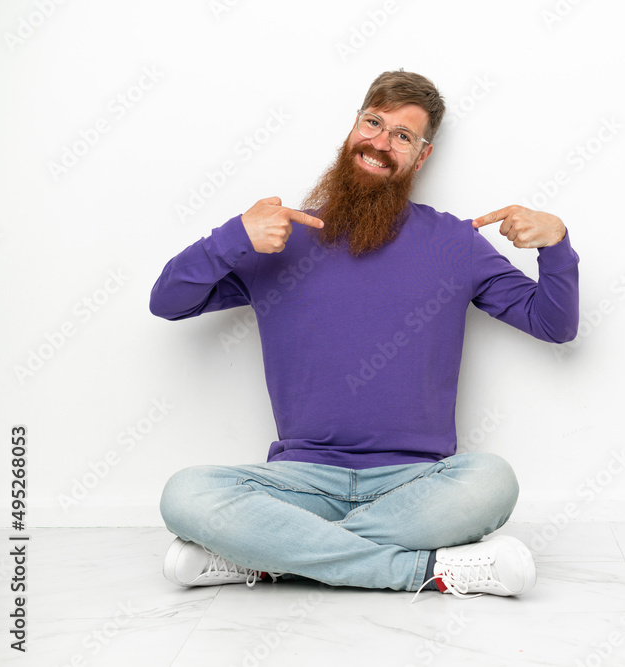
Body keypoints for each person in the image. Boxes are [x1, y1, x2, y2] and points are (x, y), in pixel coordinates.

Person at [150, 70, 580, 600]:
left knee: (492, 480)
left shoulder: (454, 242)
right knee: (186, 494)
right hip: (300, 484)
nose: (381, 143)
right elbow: (167, 301)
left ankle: (265, 558)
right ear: (353, 128)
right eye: (373, 123)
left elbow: (553, 323)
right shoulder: (281, 237)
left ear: (421, 158)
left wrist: (555, 245)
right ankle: (422, 572)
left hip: (417, 487)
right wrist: (232, 237)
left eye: (403, 136)